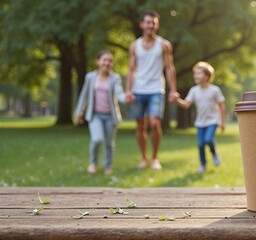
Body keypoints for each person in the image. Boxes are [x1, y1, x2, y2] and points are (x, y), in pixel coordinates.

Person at [124, 10, 179, 170]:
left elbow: (169, 68)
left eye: (154, 23)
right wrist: (128, 90)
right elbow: (131, 69)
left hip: (156, 88)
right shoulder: (134, 46)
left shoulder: (164, 45)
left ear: (157, 25)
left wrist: (173, 90)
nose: (151, 25)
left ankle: (155, 158)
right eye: (148, 22)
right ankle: (143, 157)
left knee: (154, 123)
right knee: (140, 125)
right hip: (139, 89)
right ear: (142, 24)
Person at [74, 50, 126, 175]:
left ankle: (107, 166)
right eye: (104, 60)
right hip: (95, 115)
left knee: (109, 143)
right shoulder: (90, 77)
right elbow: (84, 96)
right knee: (97, 139)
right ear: (98, 61)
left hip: (110, 116)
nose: (107, 63)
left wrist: (126, 98)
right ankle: (93, 163)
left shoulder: (115, 78)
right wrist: (79, 112)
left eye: (110, 60)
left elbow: (119, 93)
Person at [174, 62, 226, 174]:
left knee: (208, 140)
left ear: (207, 76)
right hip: (199, 122)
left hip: (212, 120)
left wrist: (222, 122)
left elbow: (221, 106)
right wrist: (177, 100)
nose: (195, 76)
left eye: (198, 74)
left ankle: (214, 153)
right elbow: (187, 104)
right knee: (200, 144)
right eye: (195, 74)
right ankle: (203, 165)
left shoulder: (215, 90)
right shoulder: (194, 90)